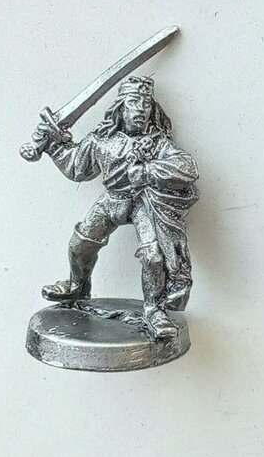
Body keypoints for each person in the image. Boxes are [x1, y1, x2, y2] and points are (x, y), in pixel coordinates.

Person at [37, 76, 199, 339]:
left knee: (153, 256)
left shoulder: (158, 144)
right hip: (112, 200)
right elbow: (77, 167)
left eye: (146, 104)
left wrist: (146, 171)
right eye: (134, 102)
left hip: (144, 202)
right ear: (120, 108)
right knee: (80, 244)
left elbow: (187, 168)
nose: (140, 109)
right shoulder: (102, 141)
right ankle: (77, 285)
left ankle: (154, 310)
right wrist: (53, 145)